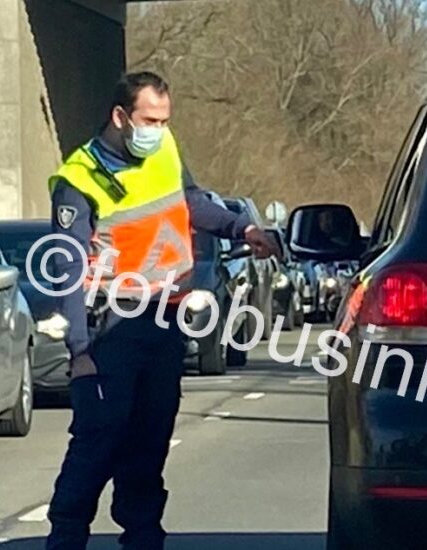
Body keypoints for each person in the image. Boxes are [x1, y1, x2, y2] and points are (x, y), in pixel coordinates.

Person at [45, 71, 279, 550]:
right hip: (110, 328)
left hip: (163, 323)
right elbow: (67, 270)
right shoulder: (79, 179)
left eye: (164, 119)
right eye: (149, 119)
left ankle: (144, 538)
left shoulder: (166, 150)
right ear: (120, 117)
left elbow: (191, 203)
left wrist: (242, 229)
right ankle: (66, 538)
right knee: (97, 443)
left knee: (149, 446)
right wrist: (80, 351)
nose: (158, 129)